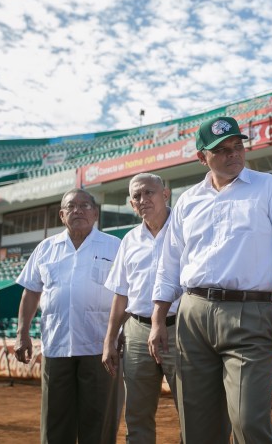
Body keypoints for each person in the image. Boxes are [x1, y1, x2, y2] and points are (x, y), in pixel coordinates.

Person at [148, 116, 272, 444]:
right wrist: (156, 318)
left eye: (237, 146)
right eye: (221, 150)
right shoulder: (188, 201)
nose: (233, 154)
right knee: (196, 425)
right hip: (192, 314)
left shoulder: (270, 188)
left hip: (249, 313)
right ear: (201, 157)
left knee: (249, 422)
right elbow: (169, 264)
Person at [14, 188, 121, 444]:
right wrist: (22, 334)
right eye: (71, 206)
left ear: (95, 213)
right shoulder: (45, 248)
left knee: (98, 422)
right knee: (55, 422)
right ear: (62, 215)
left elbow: (126, 294)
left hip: (100, 347)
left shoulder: (115, 246)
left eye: (84, 205)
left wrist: (117, 336)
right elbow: (31, 293)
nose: (78, 210)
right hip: (56, 346)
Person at [102, 173, 181, 443]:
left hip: (180, 329)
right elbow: (121, 296)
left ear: (166, 194)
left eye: (149, 192)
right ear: (131, 204)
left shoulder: (186, 229)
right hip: (136, 331)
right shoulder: (129, 240)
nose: (143, 199)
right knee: (136, 414)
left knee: (193, 410)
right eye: (136, 196)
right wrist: (109, 340)